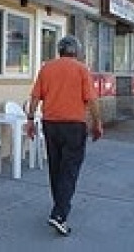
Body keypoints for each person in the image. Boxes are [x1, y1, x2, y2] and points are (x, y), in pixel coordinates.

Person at [26, 35, 103, 236]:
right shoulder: (81, 70)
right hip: (74, 126)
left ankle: (59, 207)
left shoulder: (47, 68)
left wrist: (30, 120)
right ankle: (59, 214)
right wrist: (97, 123)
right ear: (76, 51)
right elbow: (92, 101)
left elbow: (34, 97)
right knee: (69, 170)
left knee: (56, 167)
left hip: (50, 125)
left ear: (59, 50)